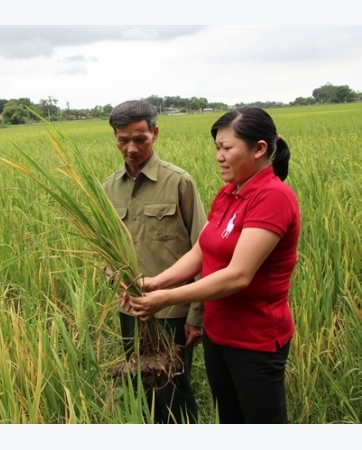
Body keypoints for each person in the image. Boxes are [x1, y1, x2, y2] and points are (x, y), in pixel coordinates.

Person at [122, 106, 300, 424]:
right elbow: (199, 252)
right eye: (217, 147)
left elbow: (238, 275)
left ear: (260, 149)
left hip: (255, 340)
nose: (219, 156)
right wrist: (154, 282)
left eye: (227, 148)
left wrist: (163, 299)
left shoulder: (273, 197)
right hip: (219, 336)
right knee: (230, 421)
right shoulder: (228, 193)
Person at [102, 100, 207, 424]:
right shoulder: (108, 189)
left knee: (174, 390)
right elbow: (104, 250)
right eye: (123, 139)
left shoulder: (179, 182)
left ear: (155, 134)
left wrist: (195, 315)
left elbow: (204, 249)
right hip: (130, 311)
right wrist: (113, 279)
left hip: (173, 313)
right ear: (115, 138)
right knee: (139, 389)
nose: (131, 148)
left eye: (140, 139)